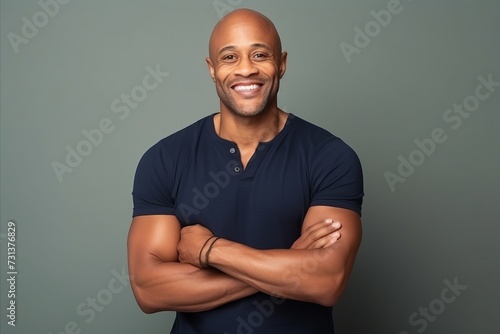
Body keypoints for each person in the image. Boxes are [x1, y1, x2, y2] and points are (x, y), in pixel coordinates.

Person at [127, 8, 363, 334]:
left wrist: (212, 250)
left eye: (259, 54)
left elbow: (326, 280)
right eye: (229, 57)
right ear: (212, 69)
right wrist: (285, 263)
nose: (246, 69)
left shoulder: (330, 157)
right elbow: (148, 289)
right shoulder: (165, 159)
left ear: (281, 63)